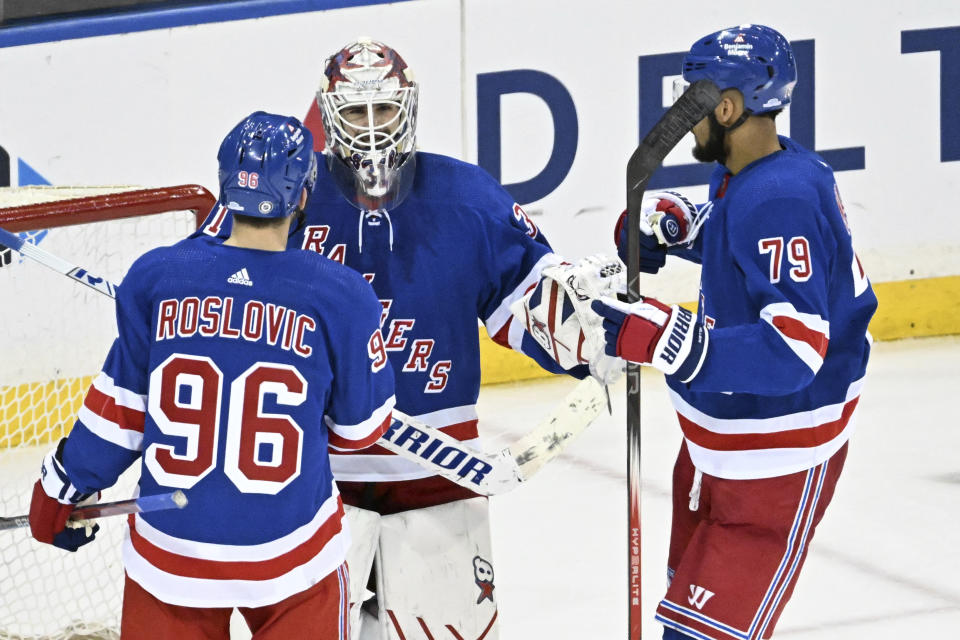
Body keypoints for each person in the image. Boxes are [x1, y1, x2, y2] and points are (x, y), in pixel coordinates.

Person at [194, 38, 615, 640]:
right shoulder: (287, 194)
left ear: (408, 108)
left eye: (384, 111)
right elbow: (214, 285)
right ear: (329, 114)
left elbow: (531, 309)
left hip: (438, 474)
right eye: (357, 113)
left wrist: (587, 320)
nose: (370, 130)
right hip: (315, 477)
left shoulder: (467, 198)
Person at [28, 112, 396, 639]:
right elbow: (362, 430)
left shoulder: (158, 277)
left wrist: (60, 487)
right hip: (295, 561)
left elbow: (119, 417)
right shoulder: (340, 295)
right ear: (304, 196)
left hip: (172, 561)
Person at [583, 24, 879, 639]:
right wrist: (679, 225)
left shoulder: (781, 197)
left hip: (776, 461)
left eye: (695, 98)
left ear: (728, 106)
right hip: (717, 448)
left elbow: (796, 350)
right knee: (681, 621)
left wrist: (673, 338)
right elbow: (738, 239)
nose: (684, 114)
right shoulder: (757, 171)